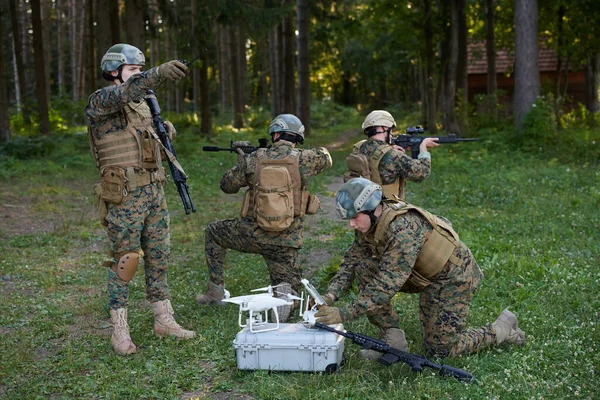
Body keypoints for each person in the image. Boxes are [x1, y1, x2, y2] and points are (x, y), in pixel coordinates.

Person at [315, 177, 525, 359]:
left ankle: (501, 329)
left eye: (354, 217)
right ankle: (393, 338)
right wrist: (331, 295)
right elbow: (351, 260)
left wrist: (343, 314)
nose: (352, 224)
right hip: (419, 273)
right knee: (364, 267)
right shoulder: (370, 223)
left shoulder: (403, 229)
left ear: (371, 209)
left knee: (441, 351)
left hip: (450, 279)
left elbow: (386, 285)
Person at [85, 43, 195, 355]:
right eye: (134, 70)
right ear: (114, 72)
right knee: (125, 261)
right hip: (124, 196)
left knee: (159, 256)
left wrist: (163, 134)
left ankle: (164, 319)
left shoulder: (144, 106)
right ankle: (119, 329)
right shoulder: (102, 101)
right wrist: (157, 73)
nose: (140, 76)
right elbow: (126, 93)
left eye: (141, 70)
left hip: (154, 193)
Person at [196, 114, 333, 321]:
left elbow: (227, 186)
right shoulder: (306, 159)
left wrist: (243, 160)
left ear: (275, 134)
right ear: (297, 138)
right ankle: (284, 297)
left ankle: (215, 291)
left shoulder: (253, 159)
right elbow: (327, 157)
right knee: (286, 283)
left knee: (213, 232)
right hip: (285, 242)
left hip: (251, 234)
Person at [346, 110, 439, 200]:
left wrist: (390, 149)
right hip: (385, 210)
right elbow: (421, 174)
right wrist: (423, 149)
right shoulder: (394, 156)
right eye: (391, 130)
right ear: (384, 128)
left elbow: (375, 154)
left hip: (361, 207)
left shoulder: (359, 147)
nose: (391, 134)